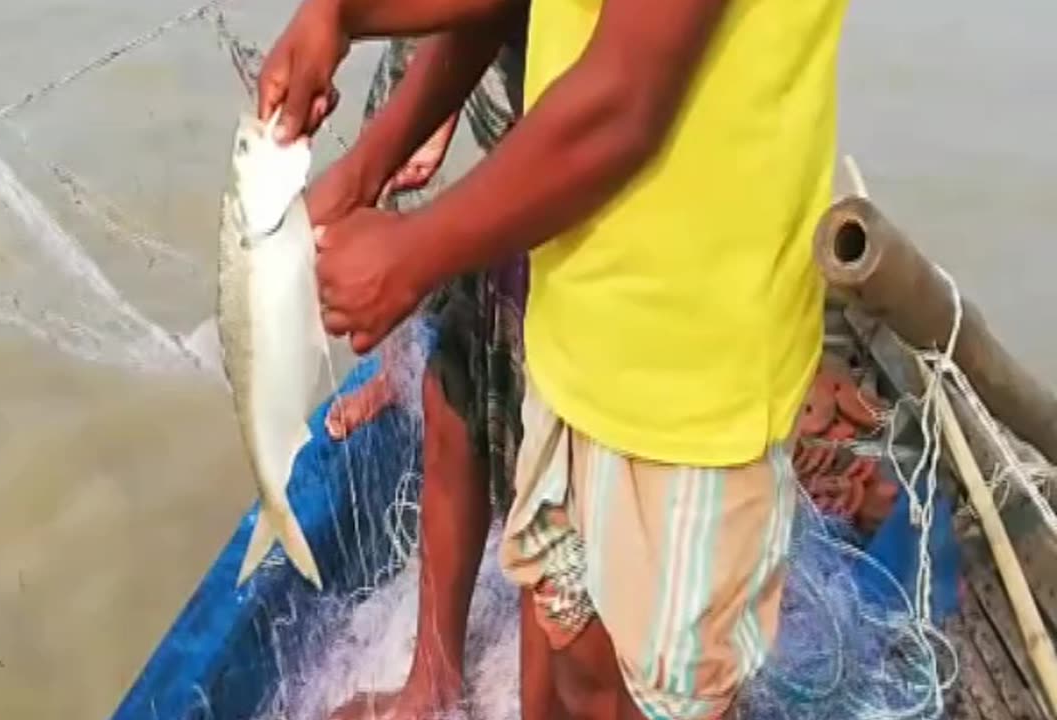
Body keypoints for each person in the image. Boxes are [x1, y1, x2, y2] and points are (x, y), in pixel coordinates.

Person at [260, 0, 847, 717]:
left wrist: (409, 254)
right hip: (576, 325)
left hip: (692, 372)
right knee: (574, 656)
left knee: (647, 701)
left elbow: (623, 101)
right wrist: (344, 29)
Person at [309, 31, 531, 719]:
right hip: (521, 183)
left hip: (596, 204)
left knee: (562, 507)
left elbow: (618, 110)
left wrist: (332, 15)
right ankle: (431, 684)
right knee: (449, 391)